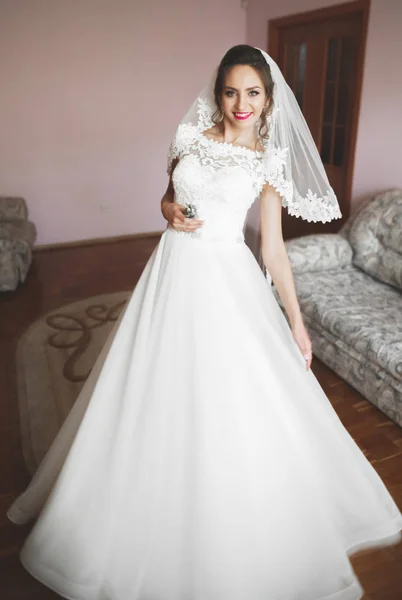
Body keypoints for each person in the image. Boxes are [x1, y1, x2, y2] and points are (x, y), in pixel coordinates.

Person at [7, 45, 402, 600]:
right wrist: (168, 210)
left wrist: (297, 323)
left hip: (225, 280)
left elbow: (274, 251)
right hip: (170, 272)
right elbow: (171, 197)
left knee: (224, 399)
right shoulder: (190, 136)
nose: (242, 103)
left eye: (253, 93)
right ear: (217, 93)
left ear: (268, 99)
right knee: (147, 388)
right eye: (231, 91)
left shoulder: (267, 160)